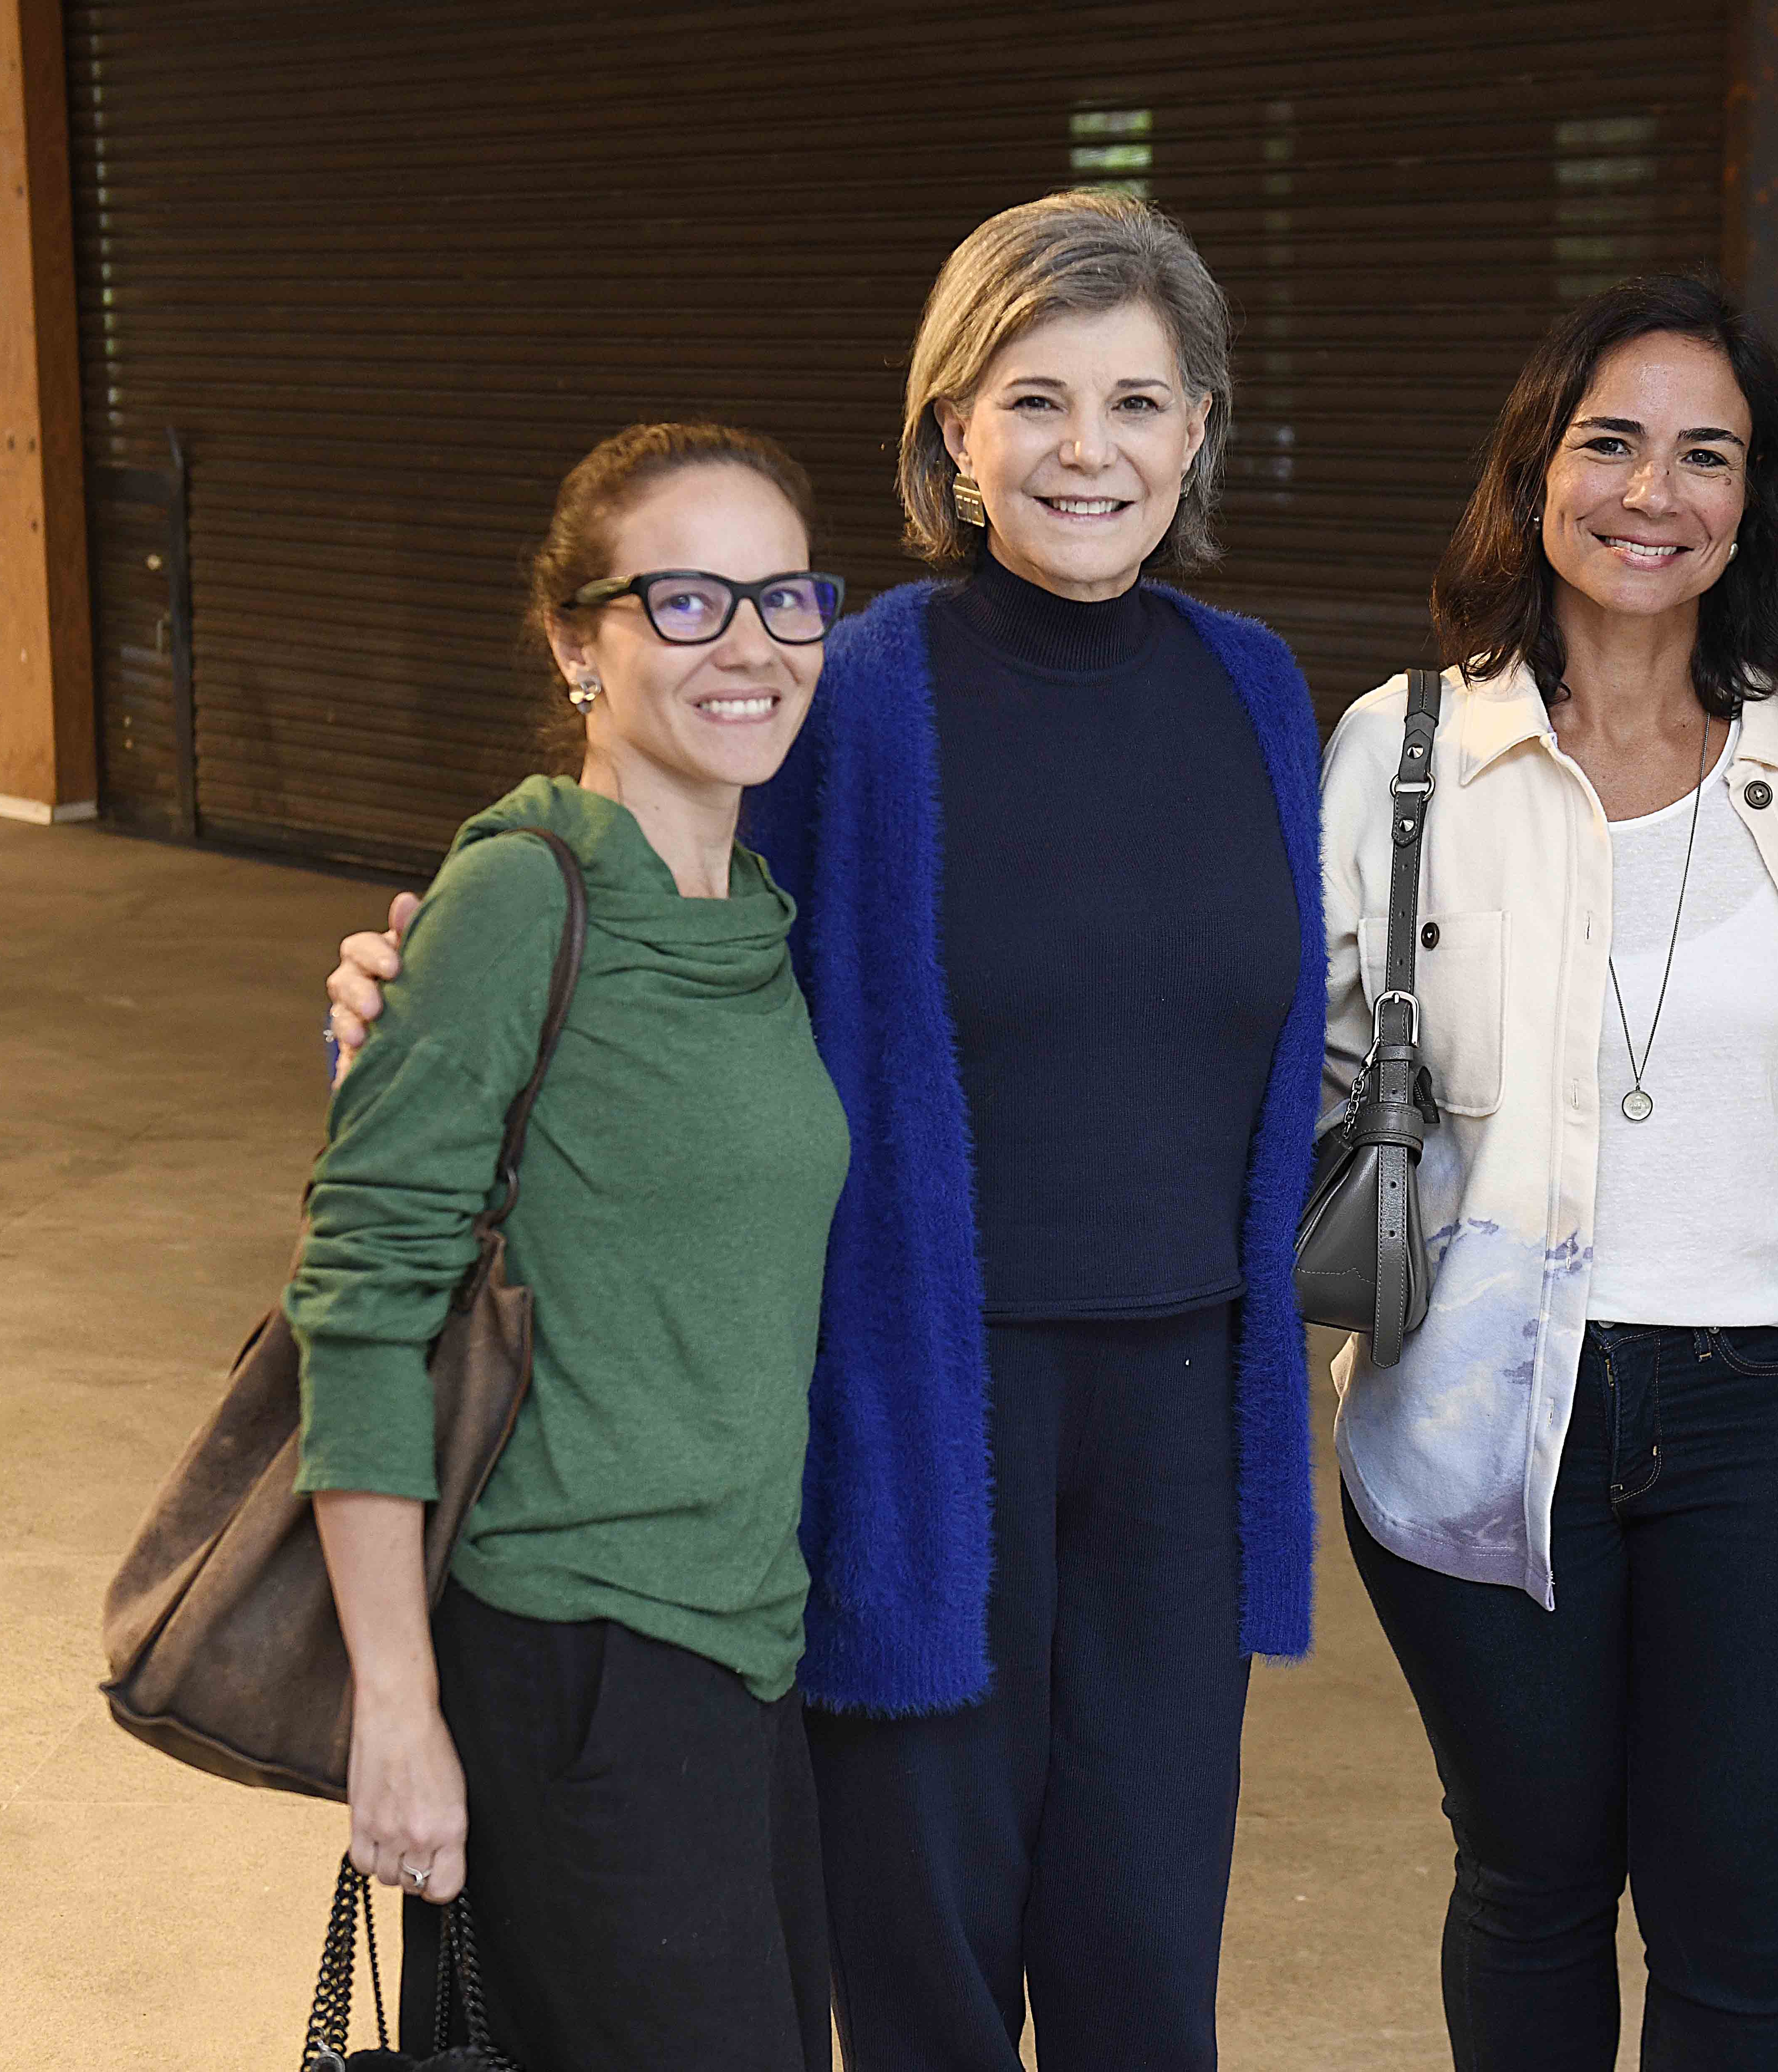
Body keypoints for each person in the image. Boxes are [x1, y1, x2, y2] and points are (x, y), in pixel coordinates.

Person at [328, 189, 1325, 2072]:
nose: (1087, 450)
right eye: (1034, 399)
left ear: (1199, 428)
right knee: (926, 1957)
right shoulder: (855, 685)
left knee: (1146, 1957)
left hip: (1187, 1418)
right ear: (952, 431)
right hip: (917, 1411)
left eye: (1137, 400)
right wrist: (405, 985)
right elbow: (660, 921)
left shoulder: (1254, 686)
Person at [1319, 275, 1778, 2071]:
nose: (1654, 492)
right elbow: (1310, 1072)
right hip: (1485, 1398)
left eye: (1705, 454)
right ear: (1536, 469)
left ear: (1752, 498)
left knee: (1739, 1925)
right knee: (1533, 1882)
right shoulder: (1406, 747)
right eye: (1612, 442)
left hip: (1775, 1412)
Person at [295, 421, 849, 2068]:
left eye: (784, 595)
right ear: (575, 641)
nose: (747, 643)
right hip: (573, 1649)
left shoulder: (750, 906)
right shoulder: (523, 896)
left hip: (745, 1650)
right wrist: (395, 1710)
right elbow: (364, 1302)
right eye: (684, 599)